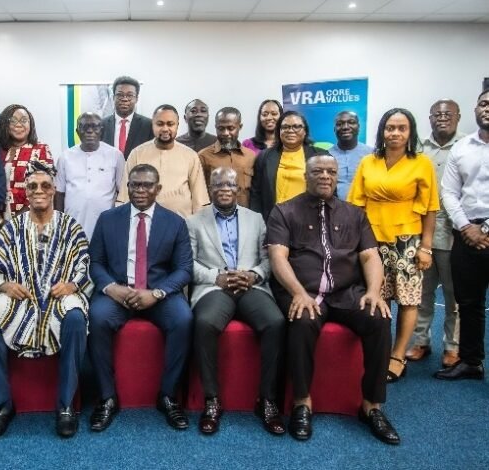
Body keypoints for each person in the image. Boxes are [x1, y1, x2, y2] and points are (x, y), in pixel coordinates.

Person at [267, 154, 399, 445]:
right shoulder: (284, 211)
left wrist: (374, 291)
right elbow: (278, 257)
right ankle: (302, 402)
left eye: (331, 171)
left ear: (337, 175)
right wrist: (298, 293)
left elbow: (370, 256)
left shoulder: (355, 214)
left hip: (346, 292)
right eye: (318, 171)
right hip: (303, 290)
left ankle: (372, 406)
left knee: (379, 319)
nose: (325, 175)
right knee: (301, 319)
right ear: (306, 175)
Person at [0, 161, 92, 439]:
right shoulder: (11, 227)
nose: (39, 190)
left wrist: (72, 284)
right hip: (21, 297)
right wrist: (4, 284)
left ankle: (65, 406)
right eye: (32, 186)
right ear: (25, 193)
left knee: (76, 317)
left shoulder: (71, 226)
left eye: (45, 186)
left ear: (54, 190)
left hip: (58, 298)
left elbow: (83, 266)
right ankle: (1, 405)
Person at [88, 164, 193, 432]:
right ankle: (107, 397)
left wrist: (157, 293)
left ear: (158, 189)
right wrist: (112, 287)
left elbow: (184, 269)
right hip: (119, 293)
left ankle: (168, 396)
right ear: (128, 187)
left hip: (158, 294)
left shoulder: (175, 222)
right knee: (97, 318)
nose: (141, 190)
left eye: (147, 185)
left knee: (183, 319)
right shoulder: (108, 218)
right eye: (135, 184)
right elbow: (95, 262)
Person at [187, 167, 285, 436]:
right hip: (214, 288)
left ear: (238, 188)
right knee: (205, 323)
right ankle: (212, 400)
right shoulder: (194, 221)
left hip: (249, 285)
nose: (224, 189)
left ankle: (266, 400)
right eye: (217, 185)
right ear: (210, 188)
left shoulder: (257, 219)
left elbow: (268, 260)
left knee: (275, 322)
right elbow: (189, 263)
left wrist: (254, 275)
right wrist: (216, 276)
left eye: (230, 184)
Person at [347, 108, 439, 383]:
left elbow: (431, 209)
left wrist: (426, 247)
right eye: (390, 128)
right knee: (379, 297)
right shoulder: (368, 162)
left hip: (407, 241)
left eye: (401, 128)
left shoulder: (421, 163)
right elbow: (356, 204)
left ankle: (398, 356)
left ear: (410, 132)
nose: (395, 133)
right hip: (372, 240)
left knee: (408, 300)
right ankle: (380, 350)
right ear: (382, 131)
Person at [436, 89, 489, 381]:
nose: (487, 108)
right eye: (483, 103)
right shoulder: (462, 147)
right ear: (475, 109)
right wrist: (467, 227)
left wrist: (485, 229)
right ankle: (471, 361)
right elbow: (449, 192)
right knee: (468, 302)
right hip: (466, 233)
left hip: (483, 231)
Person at [407, 99, 464, 367]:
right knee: (421, 293)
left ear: (458, 116)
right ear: (429, 118)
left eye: (448, 114)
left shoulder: (467, 145)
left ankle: (452, 347)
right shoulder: (417, 148)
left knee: (454, 296)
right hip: (421, 233)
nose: (442, 118)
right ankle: (421, 342)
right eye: (437, 114)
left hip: (455, 233)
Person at [117, 104, 210, 218]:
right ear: (153, 125)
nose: (165, 129)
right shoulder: (137, 153)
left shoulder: (190, 156)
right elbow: (124, 197)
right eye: (160, 124)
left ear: (177, 125)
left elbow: (200, 201)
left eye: (170, 124)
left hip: (182, 225)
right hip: (144, 225)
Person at [55, 112, 125, 239]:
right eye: (84, 127)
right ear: (77, 131)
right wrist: (60, 223)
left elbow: (122, 192)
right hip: (72, 225)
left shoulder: (116, 156)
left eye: (95, 127)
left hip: (105, 225)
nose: (89, 131)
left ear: (102, 131)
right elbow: (59, 194)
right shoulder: (65, 157)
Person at [250, 110, 330, 221]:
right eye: (285, 127)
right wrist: (258, 222)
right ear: (279, 131)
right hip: (276, 221)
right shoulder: (265, 156)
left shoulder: (319, 156)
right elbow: (256, 194)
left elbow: (330, 191)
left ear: (305, 131)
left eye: (296, 126)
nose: (290, 130)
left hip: (311, 221)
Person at [0, 104, 53, 224]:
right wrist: (0, 221)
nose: (19, 124)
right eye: (13, 120)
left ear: (30, 124)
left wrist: (16, 222)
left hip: (32, 219)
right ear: (5, 124)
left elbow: (44, 189)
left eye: (24, 120)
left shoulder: (40, 150)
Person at [198, 107, 257, 208]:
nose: (225, 133)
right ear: (216, 127)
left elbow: (256, 192)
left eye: (230, 128)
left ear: (240, 127)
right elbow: (200, 194)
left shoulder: (251, 156)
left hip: (246, 217)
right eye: (221, 128)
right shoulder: (203, 156)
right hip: (215, 218)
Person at [101, 76, 155, 159]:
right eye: (120, 95)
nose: (124, 99)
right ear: (113, 98)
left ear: (136, 99)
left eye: (130, 95)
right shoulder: (102, 125)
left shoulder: (148, 125)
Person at [327, 111, 373, 199]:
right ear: (334, 130)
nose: (345, 127)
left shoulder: (372, 154)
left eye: (351, 122)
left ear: (358, 127)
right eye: (340, 124)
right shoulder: (327, 155)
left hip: (364, 209)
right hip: (334, 210)